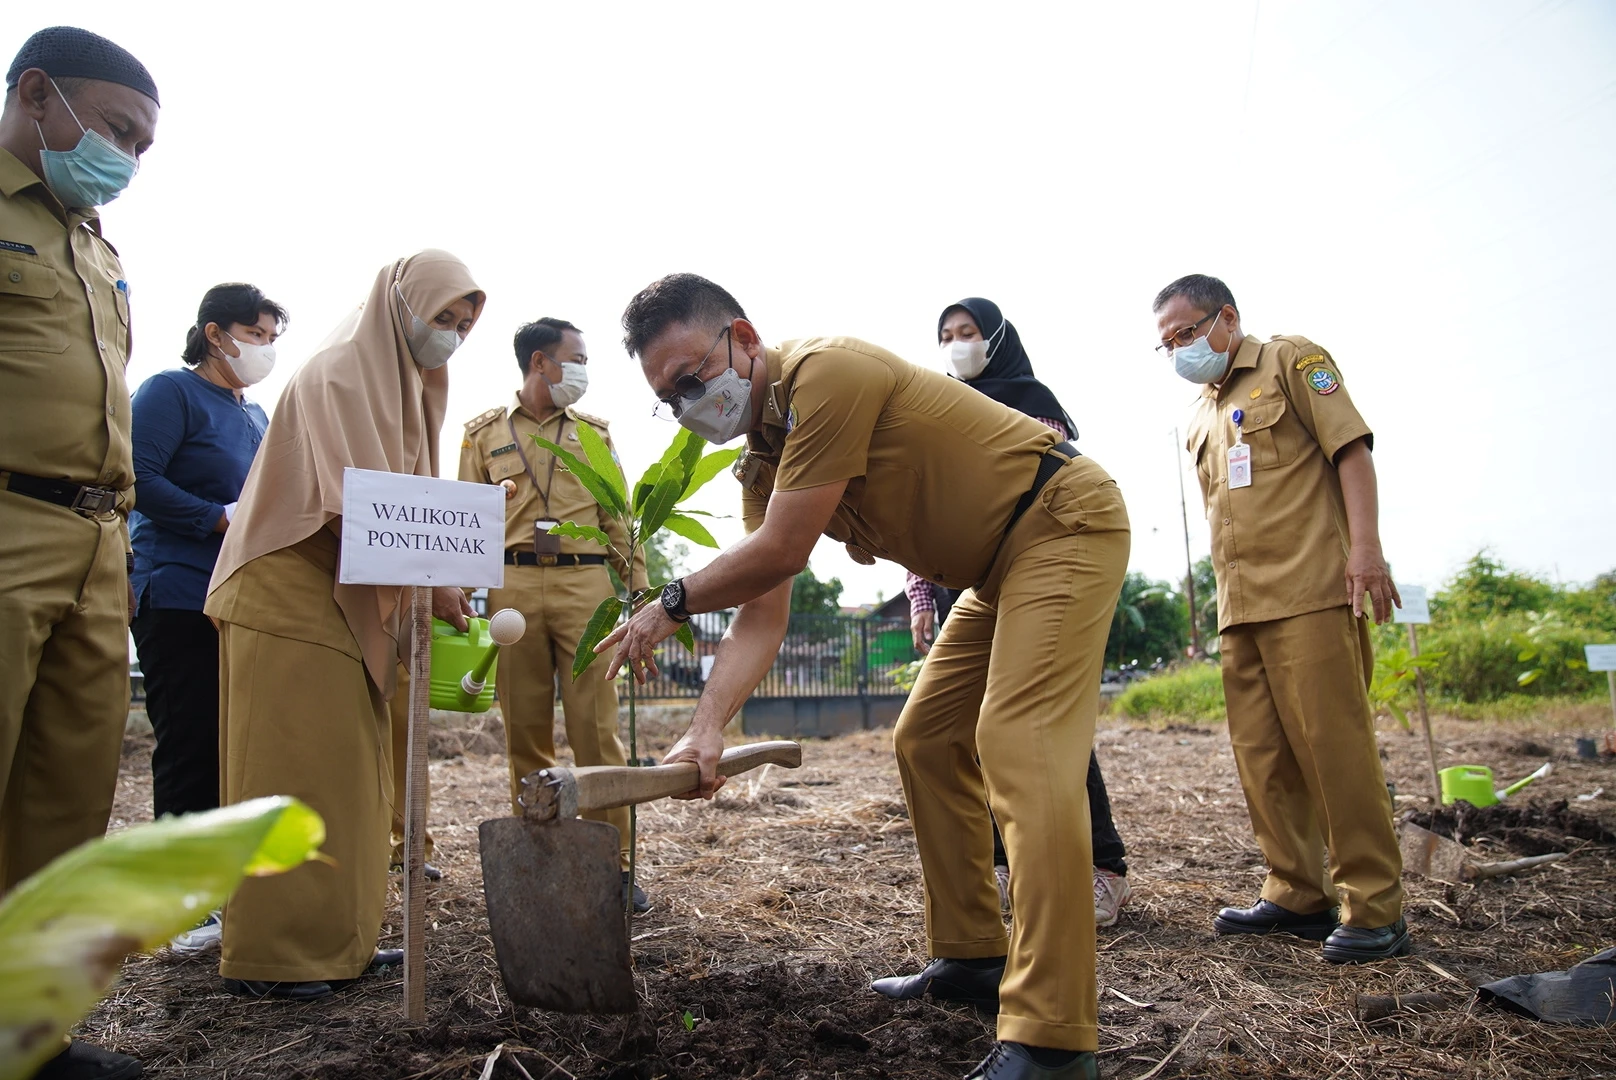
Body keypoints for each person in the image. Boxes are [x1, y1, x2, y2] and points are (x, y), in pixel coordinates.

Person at [604, 274, 1129, 1080]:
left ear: (743, 338)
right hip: (995, 569)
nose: (686, 404)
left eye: (690, 377)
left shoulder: (827, 374)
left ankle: (1055, 1038)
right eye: (668, 399)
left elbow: (779, 552)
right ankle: (973, 959)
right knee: (925, 738)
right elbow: (763, 611)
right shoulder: (763, 465)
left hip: (1061, 522)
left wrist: (668, 602)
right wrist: (706, 727)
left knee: (1017, 742)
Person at [205, 250, 483, 1000]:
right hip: (288, 592)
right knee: (293, 777)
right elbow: (369, 513)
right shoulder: (338, 377)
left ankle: (338, 942)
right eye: (441, 319)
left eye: (463, 325)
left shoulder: (409, 392)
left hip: (341, 596)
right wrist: (439, 575)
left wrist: (441, 575)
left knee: (353, 783)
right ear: (398, 309)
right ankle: (275, 955)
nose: (451, 338)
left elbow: (408, 512)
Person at [1153, 273, 1408, 963]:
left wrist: (1366, 553)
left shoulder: (1292, 362)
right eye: (1166, 343)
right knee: (1264, 759)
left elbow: (1352, 452)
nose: (1178, 349)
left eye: (1185, 333)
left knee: (1334, 751)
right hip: (1241, 609)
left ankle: (1374, 904)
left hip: (1312, 591)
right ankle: (1298, 891)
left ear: (1226, 318)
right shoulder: (1202, 415)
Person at [0, 26, 159, 1080]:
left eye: (144, 148)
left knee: (66, 795)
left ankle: (28, 1035)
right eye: (117, 132)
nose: (127, 160)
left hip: (100, 537)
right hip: (8, 522)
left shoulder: (93, 240)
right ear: (38, 93)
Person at [908, 297, 1131, 928]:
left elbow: (1035, 481)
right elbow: (927, 503)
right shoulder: (935, 407)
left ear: (996, 338)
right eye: (946, 335)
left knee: (1036, 722)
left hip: (1031, 567)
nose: (957, 345)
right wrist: (922, 597)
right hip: (965, 581)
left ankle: (1101, 867)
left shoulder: (1027, 400)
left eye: (968, 333)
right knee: (971, 731)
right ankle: (1003, 861)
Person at [458, 317, 648, 909]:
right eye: (578, 357)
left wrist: (637, 591)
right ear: (540, 362)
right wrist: (458, 594)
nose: (585, 369)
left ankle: (614, 867)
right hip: (511, 588)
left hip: (585, 583)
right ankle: (540, 864)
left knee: (598, 730)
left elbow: (619, 516)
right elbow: (467, 520)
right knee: (525, 733)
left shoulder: (594, 432)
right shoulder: (482, 434)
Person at [129, 282, 283, 955]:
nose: (266, 348)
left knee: (233, 747)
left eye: (274, 337)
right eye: (257, 334)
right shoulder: (171, 393)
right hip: (179, 591)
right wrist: (214, 517)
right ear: (215, 333)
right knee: (190, 745)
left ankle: (224, 891)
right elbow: (136, 473)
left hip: (242, 600)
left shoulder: (256, 416)